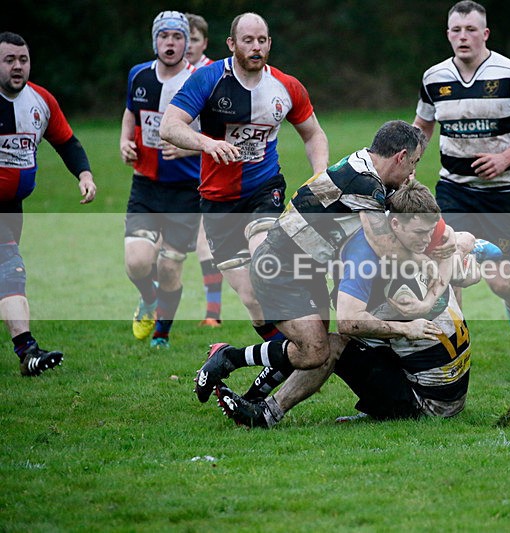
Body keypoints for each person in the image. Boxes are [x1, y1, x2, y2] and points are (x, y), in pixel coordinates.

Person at [191, 120, 445, 406]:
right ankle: (228, 357)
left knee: (310, 349)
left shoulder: (369, 173)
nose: (413, 171)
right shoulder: (363, 181)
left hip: (306, 268)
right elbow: (383, 243)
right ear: (399, 156)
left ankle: (252, 401)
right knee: (313, 351)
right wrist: (426, 262)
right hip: (280, 267)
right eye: (413, 162)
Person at [213, 180, 473, 427]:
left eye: (431, 231)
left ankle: (265, 411)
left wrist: (409, 323)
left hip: (428, 405)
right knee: (333, 339)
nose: (428, 239)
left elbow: (349, 323)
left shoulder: (383, 253)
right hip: (452, 396)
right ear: (393, 224)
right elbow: (468, 251)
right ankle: (250, 389)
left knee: (331, 344)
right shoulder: (424, 246)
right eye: (421, 232)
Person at [159, 12, 329, 343]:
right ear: (232, 43)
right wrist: (207, 143)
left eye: (262, 41)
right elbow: (170, 126)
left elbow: (313, 134)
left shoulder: (285, 87)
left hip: (263, 189)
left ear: (269, 44)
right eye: (248, 40)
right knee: (252, 300)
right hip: (217, 201)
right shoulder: (208, 80)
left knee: (264, 259)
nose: (256, 47)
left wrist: (320, 174)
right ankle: (285, 354)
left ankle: (310, 329)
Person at [413, 0, 510, 354]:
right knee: (447, 268)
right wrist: (406, 165)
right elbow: (423, 127)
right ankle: (455, 349)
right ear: (448, 35)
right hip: (453, 190)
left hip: (503, 193)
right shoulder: (434, 78)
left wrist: (505, 158)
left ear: (485, 34)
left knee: (500, 282)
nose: (463, 37)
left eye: (471, 30)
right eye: (456, 30)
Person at [0, 32, 97, 375]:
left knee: (7, 273)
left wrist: (84, 175)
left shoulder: (40, 100)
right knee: (10, 271)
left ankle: (27, 352)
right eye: (9, 60)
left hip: (12, 208)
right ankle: (27, 350)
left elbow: (67, 142)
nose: (17, 66)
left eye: (22, 60)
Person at [121, 11, 203, 349]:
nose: (170, 43)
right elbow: (130, 113)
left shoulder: (201, 79)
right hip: (146, 185)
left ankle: (162, 333)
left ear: (188, 42)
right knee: (138, 261)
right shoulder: (139, 75)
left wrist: (188, 150)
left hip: (186, 189)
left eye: (177, 37)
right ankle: (149, 300)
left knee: (170, 267)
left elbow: (215, 133)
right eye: (164, 36)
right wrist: (124, 141)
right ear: (155, 40)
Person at [184, 12, 223, 327]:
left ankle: (213, 313)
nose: (187, 45)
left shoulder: (213, 75)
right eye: (183, 39)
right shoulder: (161, 75)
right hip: (167, 175)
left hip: (204, 169)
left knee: (202, 240)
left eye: (193, 39)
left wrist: (186, 144)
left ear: (204, 42)